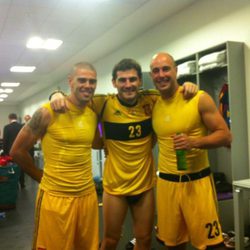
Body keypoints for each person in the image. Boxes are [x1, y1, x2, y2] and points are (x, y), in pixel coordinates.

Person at [50, 58, 198, 250]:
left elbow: (172, 93)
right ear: (114, 83)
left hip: (144, 188)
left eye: (132, 79)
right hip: (115, 189)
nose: (128, 85)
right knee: (111, 240)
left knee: (144, 239)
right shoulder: (103, 103)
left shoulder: (151, 99)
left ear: (140, 81)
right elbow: (76, 98)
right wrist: (56, 94)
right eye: (122, 80)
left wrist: (188, 85)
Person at [10, 62, 100, 250]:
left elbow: (97, 142)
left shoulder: (93, 114)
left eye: (92, 81)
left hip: (87, 196)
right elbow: (17, 151)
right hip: (56, 197)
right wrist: (39, 176)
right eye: (82, 80)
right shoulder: (47, 112)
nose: (88, 85)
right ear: (70, 81)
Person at [150, 52, 232, 250]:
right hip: (167, 185)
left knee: (212, 245)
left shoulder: (198, 98)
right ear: (151, 75)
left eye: (166, 68)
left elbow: (225, 135)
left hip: (197, 183)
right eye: (156, 70)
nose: (161, 74)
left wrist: (194, 142)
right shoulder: (152, 104)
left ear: (176, 70)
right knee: (172, 244)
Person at [3, 113, 24, 188]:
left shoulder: (7, 127)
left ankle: (13, 184)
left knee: (11, 168)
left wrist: (5, 153)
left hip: (10, 152)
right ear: (16, 118)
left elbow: (5, 141)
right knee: (21, 167)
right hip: (20, 151)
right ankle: (22, 184)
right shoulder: (22, 126)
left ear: (9, 118)